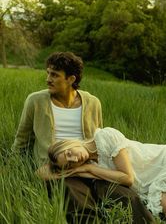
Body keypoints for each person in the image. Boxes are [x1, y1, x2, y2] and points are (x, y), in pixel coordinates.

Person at [12, 52, 155, 224]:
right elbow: (21, 141)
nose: (48, 79)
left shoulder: (93, 102)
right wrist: (12, 172)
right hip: (59, 167)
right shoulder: (35, 101)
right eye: (48, 73)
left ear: (71, 79)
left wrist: (98, 169)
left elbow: (99, 139)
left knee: (126, 196)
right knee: (76, 198)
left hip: (91, 164)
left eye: (55, 75)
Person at [48, 127, 166, 222]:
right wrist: (75, 169)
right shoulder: (88, 163)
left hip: (160, 162)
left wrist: (88, 170)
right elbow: (42, 173)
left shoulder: (105, 136)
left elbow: (127, 179)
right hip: (148, 182)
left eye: (69, 153)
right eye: (70, 163)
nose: (74, 159)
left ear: (69, 143)